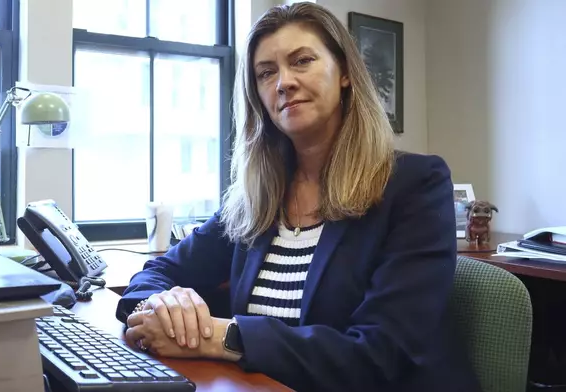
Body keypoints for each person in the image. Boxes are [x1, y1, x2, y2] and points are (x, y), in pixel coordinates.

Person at [116, 3, 481, 391]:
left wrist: (217, 337)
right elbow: (156, 274)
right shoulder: (255, 200)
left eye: (302, 61)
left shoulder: (414, 185)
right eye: (266, 72)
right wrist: (160, 307)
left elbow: (380, 354)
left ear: (343, 72)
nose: (283, 82)